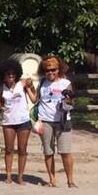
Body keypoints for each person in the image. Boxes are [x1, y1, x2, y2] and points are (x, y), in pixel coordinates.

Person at [36, 56, 75, 188]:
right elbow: (35, 99)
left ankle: (70, 180)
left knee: (65, 151)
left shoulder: (65, 83)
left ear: (59, 69)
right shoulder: (41, 83)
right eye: (48, 70)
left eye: (54, 70)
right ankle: (52, 179)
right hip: (45, 120)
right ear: (44, 71)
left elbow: (71, 102)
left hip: (63, 120)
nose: (51, 73)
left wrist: (66, 102)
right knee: (48, 151)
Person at [0, 59, 37, 185]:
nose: (10, 76)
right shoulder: (0, 88)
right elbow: (0, 103)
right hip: (8, 121)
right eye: (8, 73)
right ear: (3, 75)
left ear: (17, 74)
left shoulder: (23, 84)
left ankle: (20, 176)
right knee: (9, 149)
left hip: (23, 120)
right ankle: (8, 175)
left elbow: (34, 99)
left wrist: (30, 87)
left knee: (22, 149)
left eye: (13, 73)